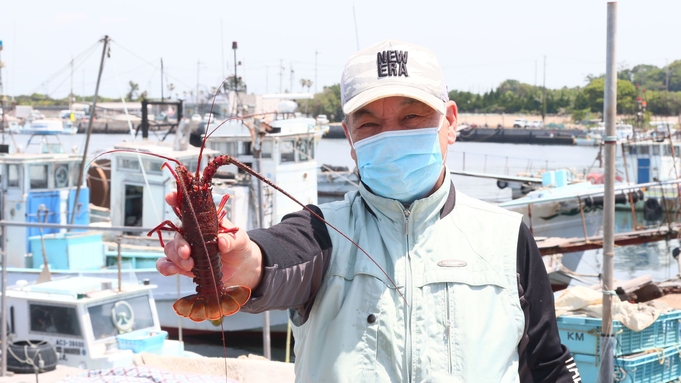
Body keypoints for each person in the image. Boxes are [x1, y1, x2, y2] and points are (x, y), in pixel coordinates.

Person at [157, 40, 581, 382]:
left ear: (449, 121)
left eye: (412, 116)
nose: (391, 136)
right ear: (349, 136)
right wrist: (241, 259)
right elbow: (274, 257)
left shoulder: (507, 236)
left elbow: (548, 366)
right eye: (370, 124)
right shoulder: (321, 230)